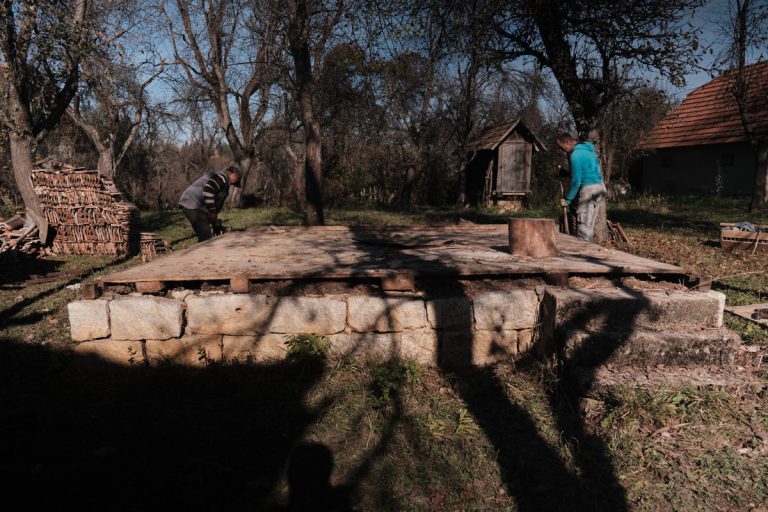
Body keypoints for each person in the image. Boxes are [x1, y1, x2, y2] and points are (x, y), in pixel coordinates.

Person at [556, 133, 606, 242]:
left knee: (583, 229)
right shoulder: (589, 151)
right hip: (600, 188)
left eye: (561, 147)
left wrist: (567, 200)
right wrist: (565, 173)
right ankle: (589, 252)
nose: (561, 150)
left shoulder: (575, 154)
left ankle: (582, 255)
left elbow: (576, 181)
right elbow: (586, 172)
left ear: (568, 143)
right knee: (589, 226)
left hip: (589, 190)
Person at [179, 165, 242, 242]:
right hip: (193, 203)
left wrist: (216, 225)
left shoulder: (221, 178)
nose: (232, 185)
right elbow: (208, 190)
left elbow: (212, 207)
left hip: (196, 205)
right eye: (236, 181)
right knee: (206, 237)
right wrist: (212, 212)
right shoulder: (222, 178)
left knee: (205, 236)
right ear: (234, 175)